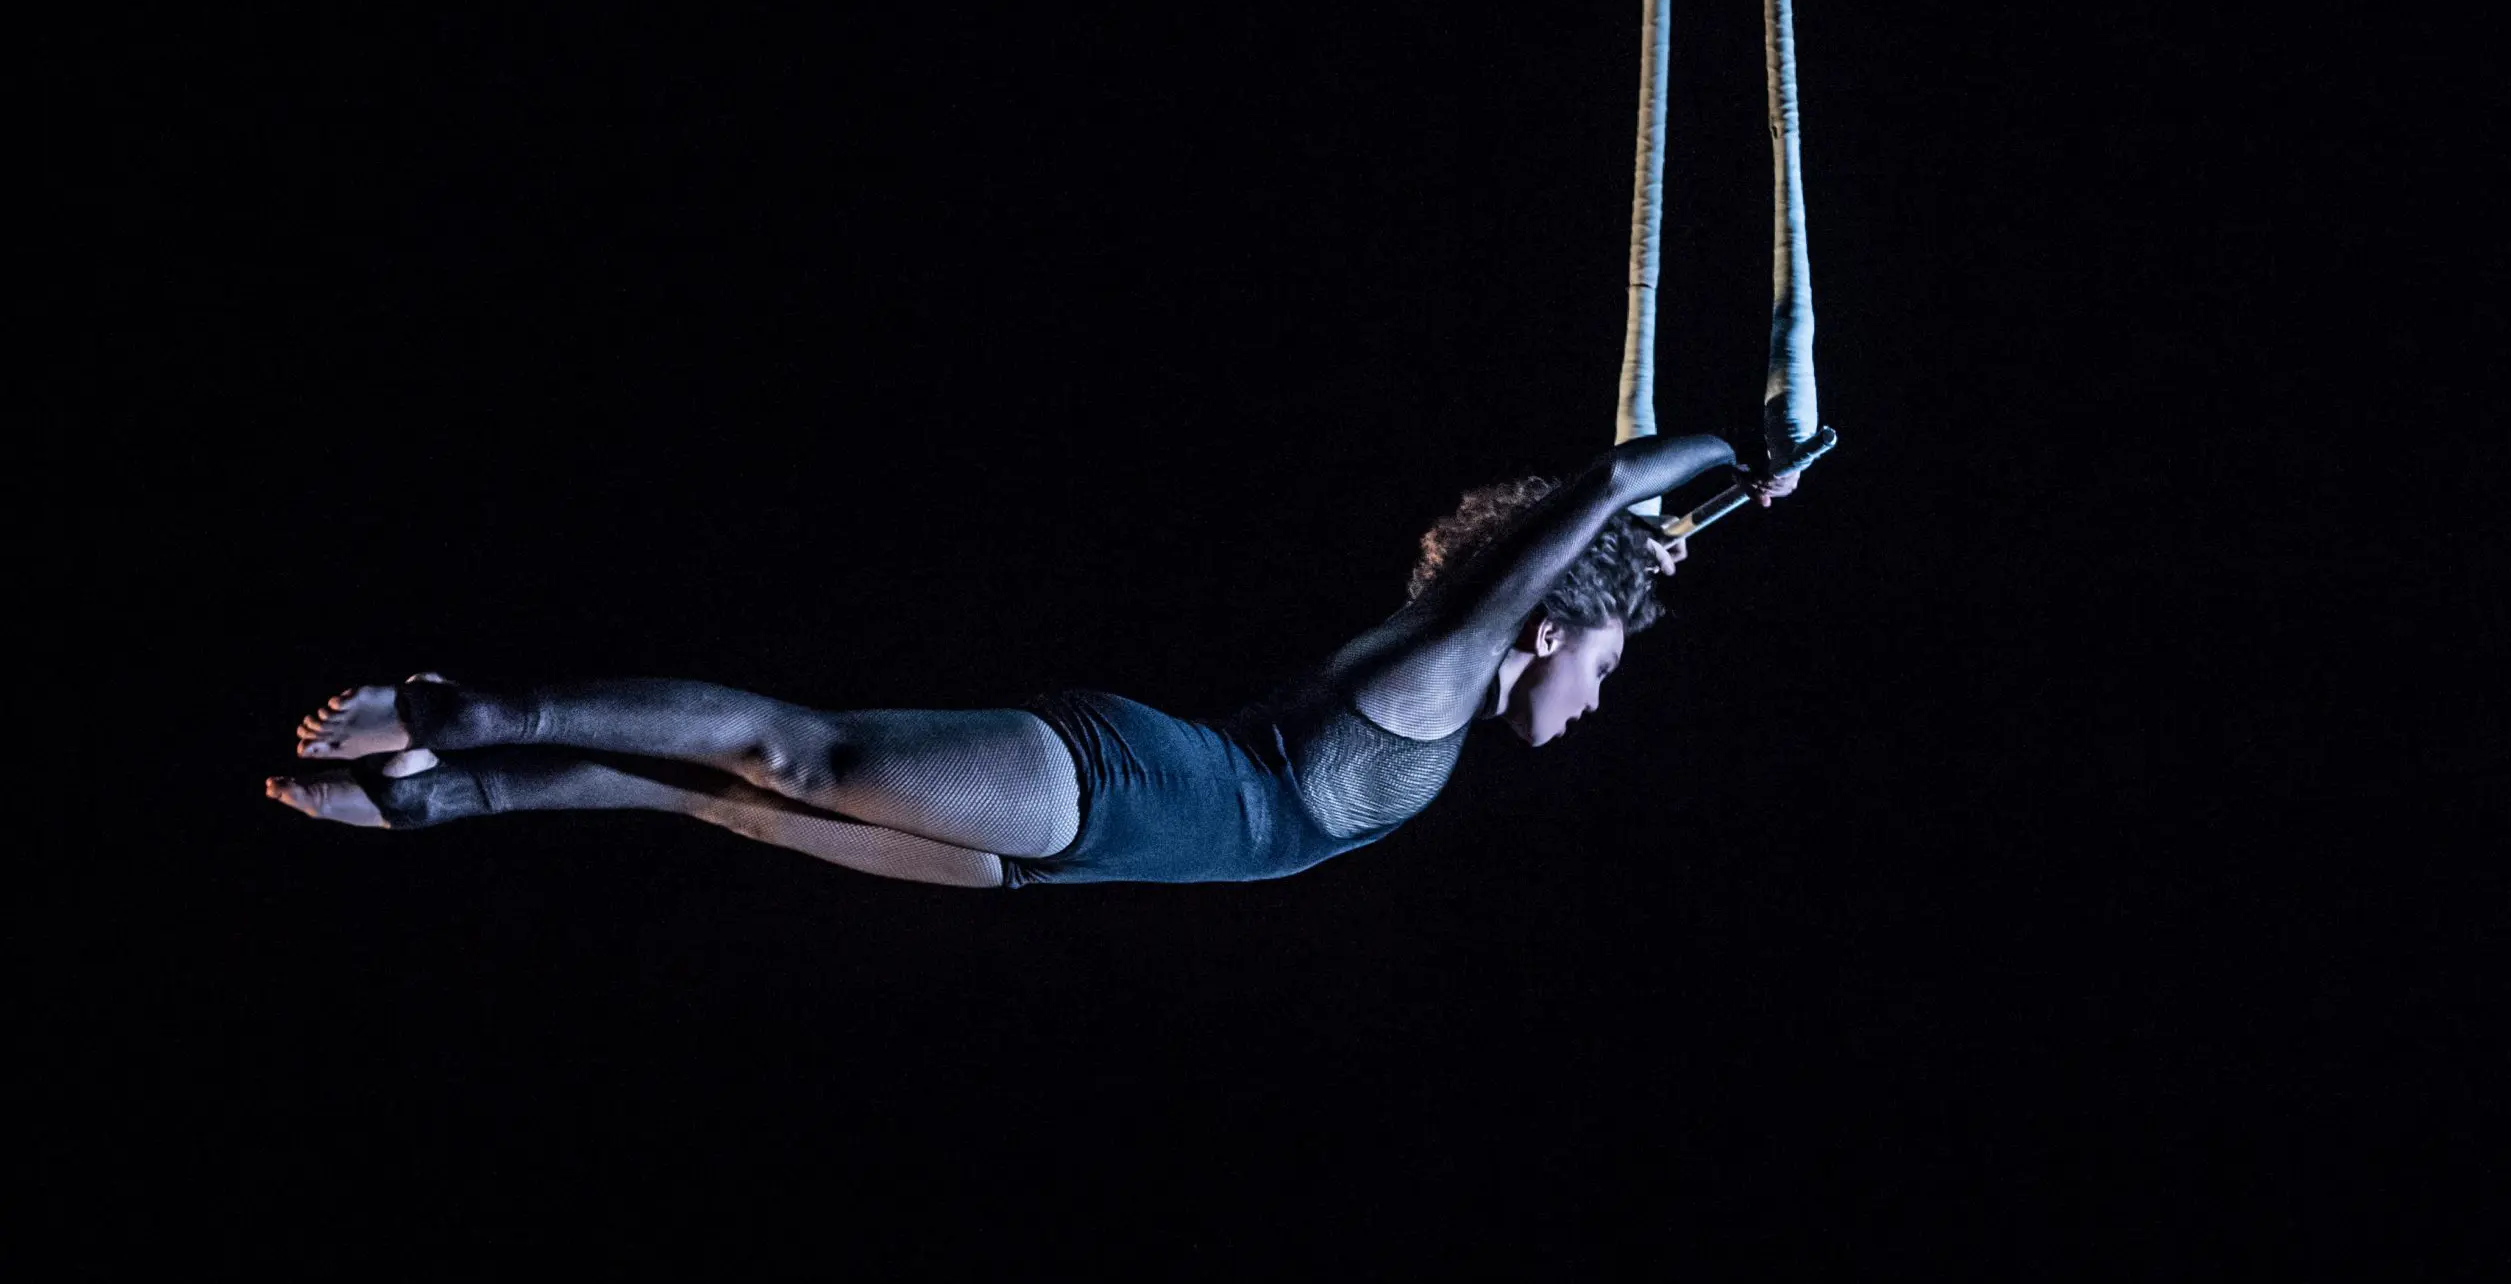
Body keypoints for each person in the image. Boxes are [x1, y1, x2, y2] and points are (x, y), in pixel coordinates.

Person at [267, 433, 1799, 888]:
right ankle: (467, 707)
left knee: (734, 809)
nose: (1599, 699)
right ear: (1542, 626)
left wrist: (1715, 513)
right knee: (795, 753)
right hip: (1130, 783)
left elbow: (1622, 540)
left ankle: (458, 794)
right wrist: (1748, 446)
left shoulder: (1479, 653)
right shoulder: (1457, 659)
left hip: (1093, 857)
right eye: (1606, 666)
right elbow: (1610, 491)